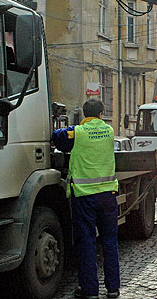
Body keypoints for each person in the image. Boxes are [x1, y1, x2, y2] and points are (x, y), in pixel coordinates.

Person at [52, 99, 120, 299]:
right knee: (109, 242)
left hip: (84, 197)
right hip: (108, 195)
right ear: (102, 113)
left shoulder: (78, 132)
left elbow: (58, 137)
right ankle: (113, 289)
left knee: (87, 243)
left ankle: (90, 291)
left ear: (84, 114)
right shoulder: (109, 131)